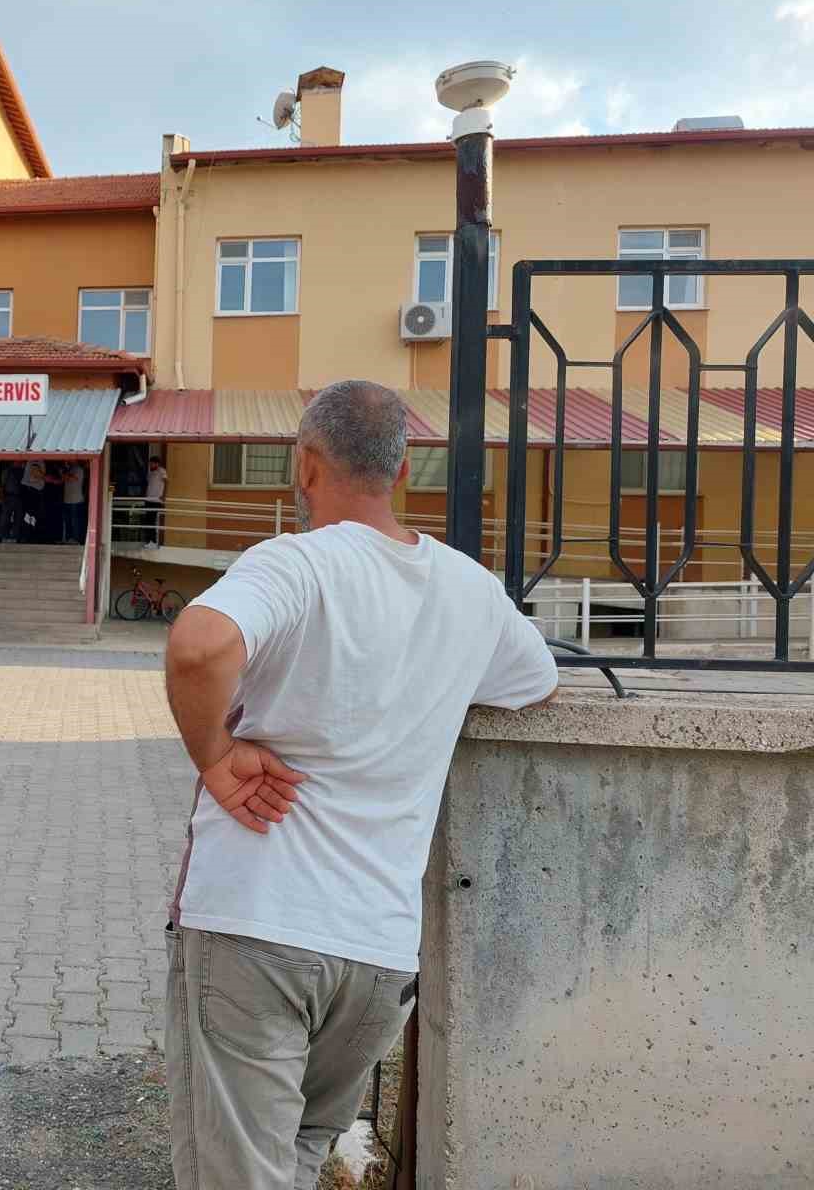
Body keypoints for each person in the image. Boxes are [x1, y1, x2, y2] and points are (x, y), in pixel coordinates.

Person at [160, 381, 558, 1190]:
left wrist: (217, 756)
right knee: (300, 1155)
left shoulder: (296, 563)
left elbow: (200, 647)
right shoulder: (470, 590)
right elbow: (538, 680)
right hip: (378, 956)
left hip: (259, 926)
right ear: (402, 470)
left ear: (306, 465)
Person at [143, 456, 167, 549]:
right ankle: (149, 541)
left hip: (156, 500)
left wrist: (163, 495)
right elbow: (149, 485)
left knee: (152, 520)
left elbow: (166, 482)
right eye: (150, 463)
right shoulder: (150, 473)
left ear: (157, 463)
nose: (150, 465)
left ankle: (153, 542)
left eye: (152, 463)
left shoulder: (162, 471)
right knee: (147, 521)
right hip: (148, 499)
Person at [19, 459, 45, 543]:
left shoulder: (41, 461)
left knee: (35, 515)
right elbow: (35, 471)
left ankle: (33, 536)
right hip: (29, 491)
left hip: (37, 491)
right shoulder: (31, 461)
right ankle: (26, 536)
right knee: (27, 515)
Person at [0, 461, 23, 543]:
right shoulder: (7, 471)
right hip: (8, 496)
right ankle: (2, 536)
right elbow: (2, 485)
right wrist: (2, 498)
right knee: (5, 517)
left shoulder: (22, 471)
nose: (19, 462)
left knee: (18, 518)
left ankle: (16, 536)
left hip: (19, 497)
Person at [62, 462, 87, 544]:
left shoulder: (78, 469)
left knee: (75, 522)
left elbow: (72, 478)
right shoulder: (69, 469)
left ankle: (77, 540)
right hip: (67, 500)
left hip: (76, 500)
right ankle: (69, 539)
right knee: (68, 521)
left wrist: (62, 473)